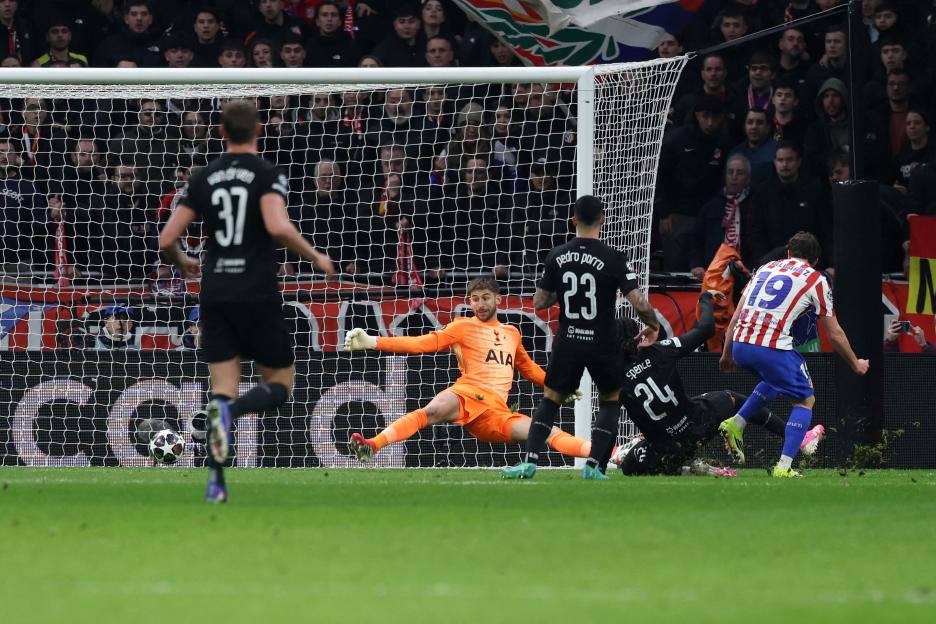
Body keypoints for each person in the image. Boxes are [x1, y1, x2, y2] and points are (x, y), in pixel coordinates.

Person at [159, 100, 335, 503]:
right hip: (256, 290)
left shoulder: (202, 177)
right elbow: (276, 225)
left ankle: (216, 484)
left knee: (222, 387)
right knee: (280, 384)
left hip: (215, 290)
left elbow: (167, 239)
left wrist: (183, 260)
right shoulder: (267, 173)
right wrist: (314, 256)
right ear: (258, 130)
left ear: (220, 131)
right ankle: (230, 414)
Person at [344, 276, 594, 464]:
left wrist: (556, 387)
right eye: (474, 299)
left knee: (547, 432)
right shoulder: (461, 326)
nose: (480, 304)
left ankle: (607, 453)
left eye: (485, 297)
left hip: (495, 412)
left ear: (498, 299)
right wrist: (375, 342)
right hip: (466, 394)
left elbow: (528, 369)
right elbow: (422, 343)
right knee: (430, 411)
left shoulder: (512, 333)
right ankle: (372, 446)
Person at [502, 195, 660, 480]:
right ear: (603, 219)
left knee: (550, 399)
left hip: (569, 339)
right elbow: (638, 302)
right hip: (603, 341)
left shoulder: (557, 255)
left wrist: (562, 289)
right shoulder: (613, 257)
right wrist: (653, 325)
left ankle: (529, 462)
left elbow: (539, 302)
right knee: (610, 399)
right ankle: (594, 466)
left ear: (573, 219)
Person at [609, 290, 825, 477]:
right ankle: (795, 437)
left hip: (667, 447)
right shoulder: (659, 350)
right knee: (731, 398)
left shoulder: (613, 377)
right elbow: (705, 329)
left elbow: (607, 419)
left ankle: (680, 462)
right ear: (638, 337)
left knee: (630, 468)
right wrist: (704, 299)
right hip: (698, 425)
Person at [718, 232, 869, 478]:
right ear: (816, 260)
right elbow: (835, 334)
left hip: (741, 345)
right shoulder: (816, 279)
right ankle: (784, 467)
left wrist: (727, 352)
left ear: (788, 252)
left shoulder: (766, 268)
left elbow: (736, 316)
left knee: (774, 380)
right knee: (805, 400)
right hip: (771, 346)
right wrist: (855, 363)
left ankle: (737, 423)